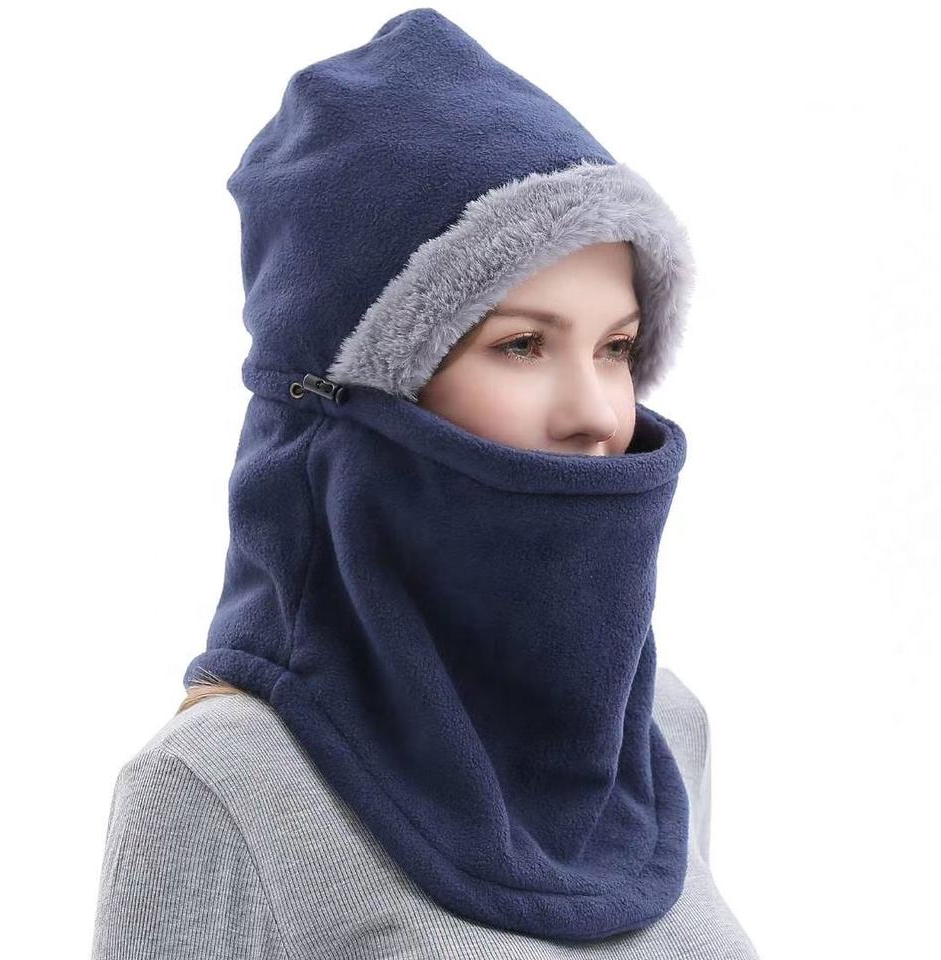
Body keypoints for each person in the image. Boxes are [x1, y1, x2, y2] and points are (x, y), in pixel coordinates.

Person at [91, 8, 760, 958]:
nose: (600, 414)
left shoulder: (660, 730)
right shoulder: (220, 783)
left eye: (617, 348)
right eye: (521, 345)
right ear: (354, 393)